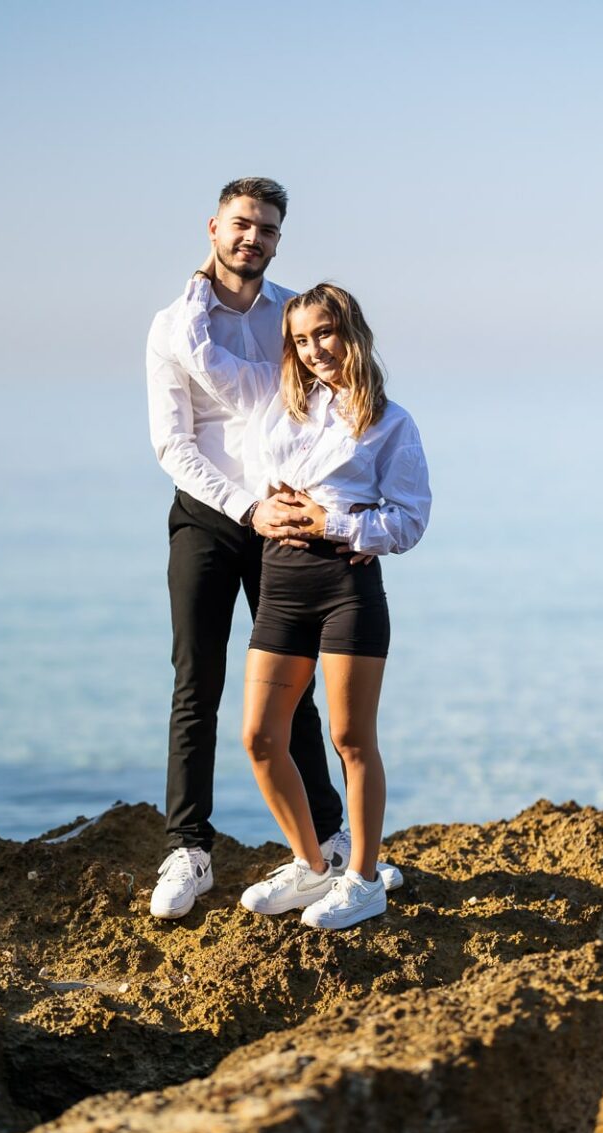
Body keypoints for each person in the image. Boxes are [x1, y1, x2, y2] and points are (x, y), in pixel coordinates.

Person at [146, 179, 401, 920]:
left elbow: (335, 410)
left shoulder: (295, 317)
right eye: (240, 224)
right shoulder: (173, 325)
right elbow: (173, 442)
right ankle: (188, 849)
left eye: (266, 228)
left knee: (299, 697)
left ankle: (329, 849)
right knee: (197, 680)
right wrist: (245, 507)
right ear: (214, 227)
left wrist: (342, 518)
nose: (252, 237)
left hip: (291, 528)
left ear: (278, 239)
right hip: (210, 516)